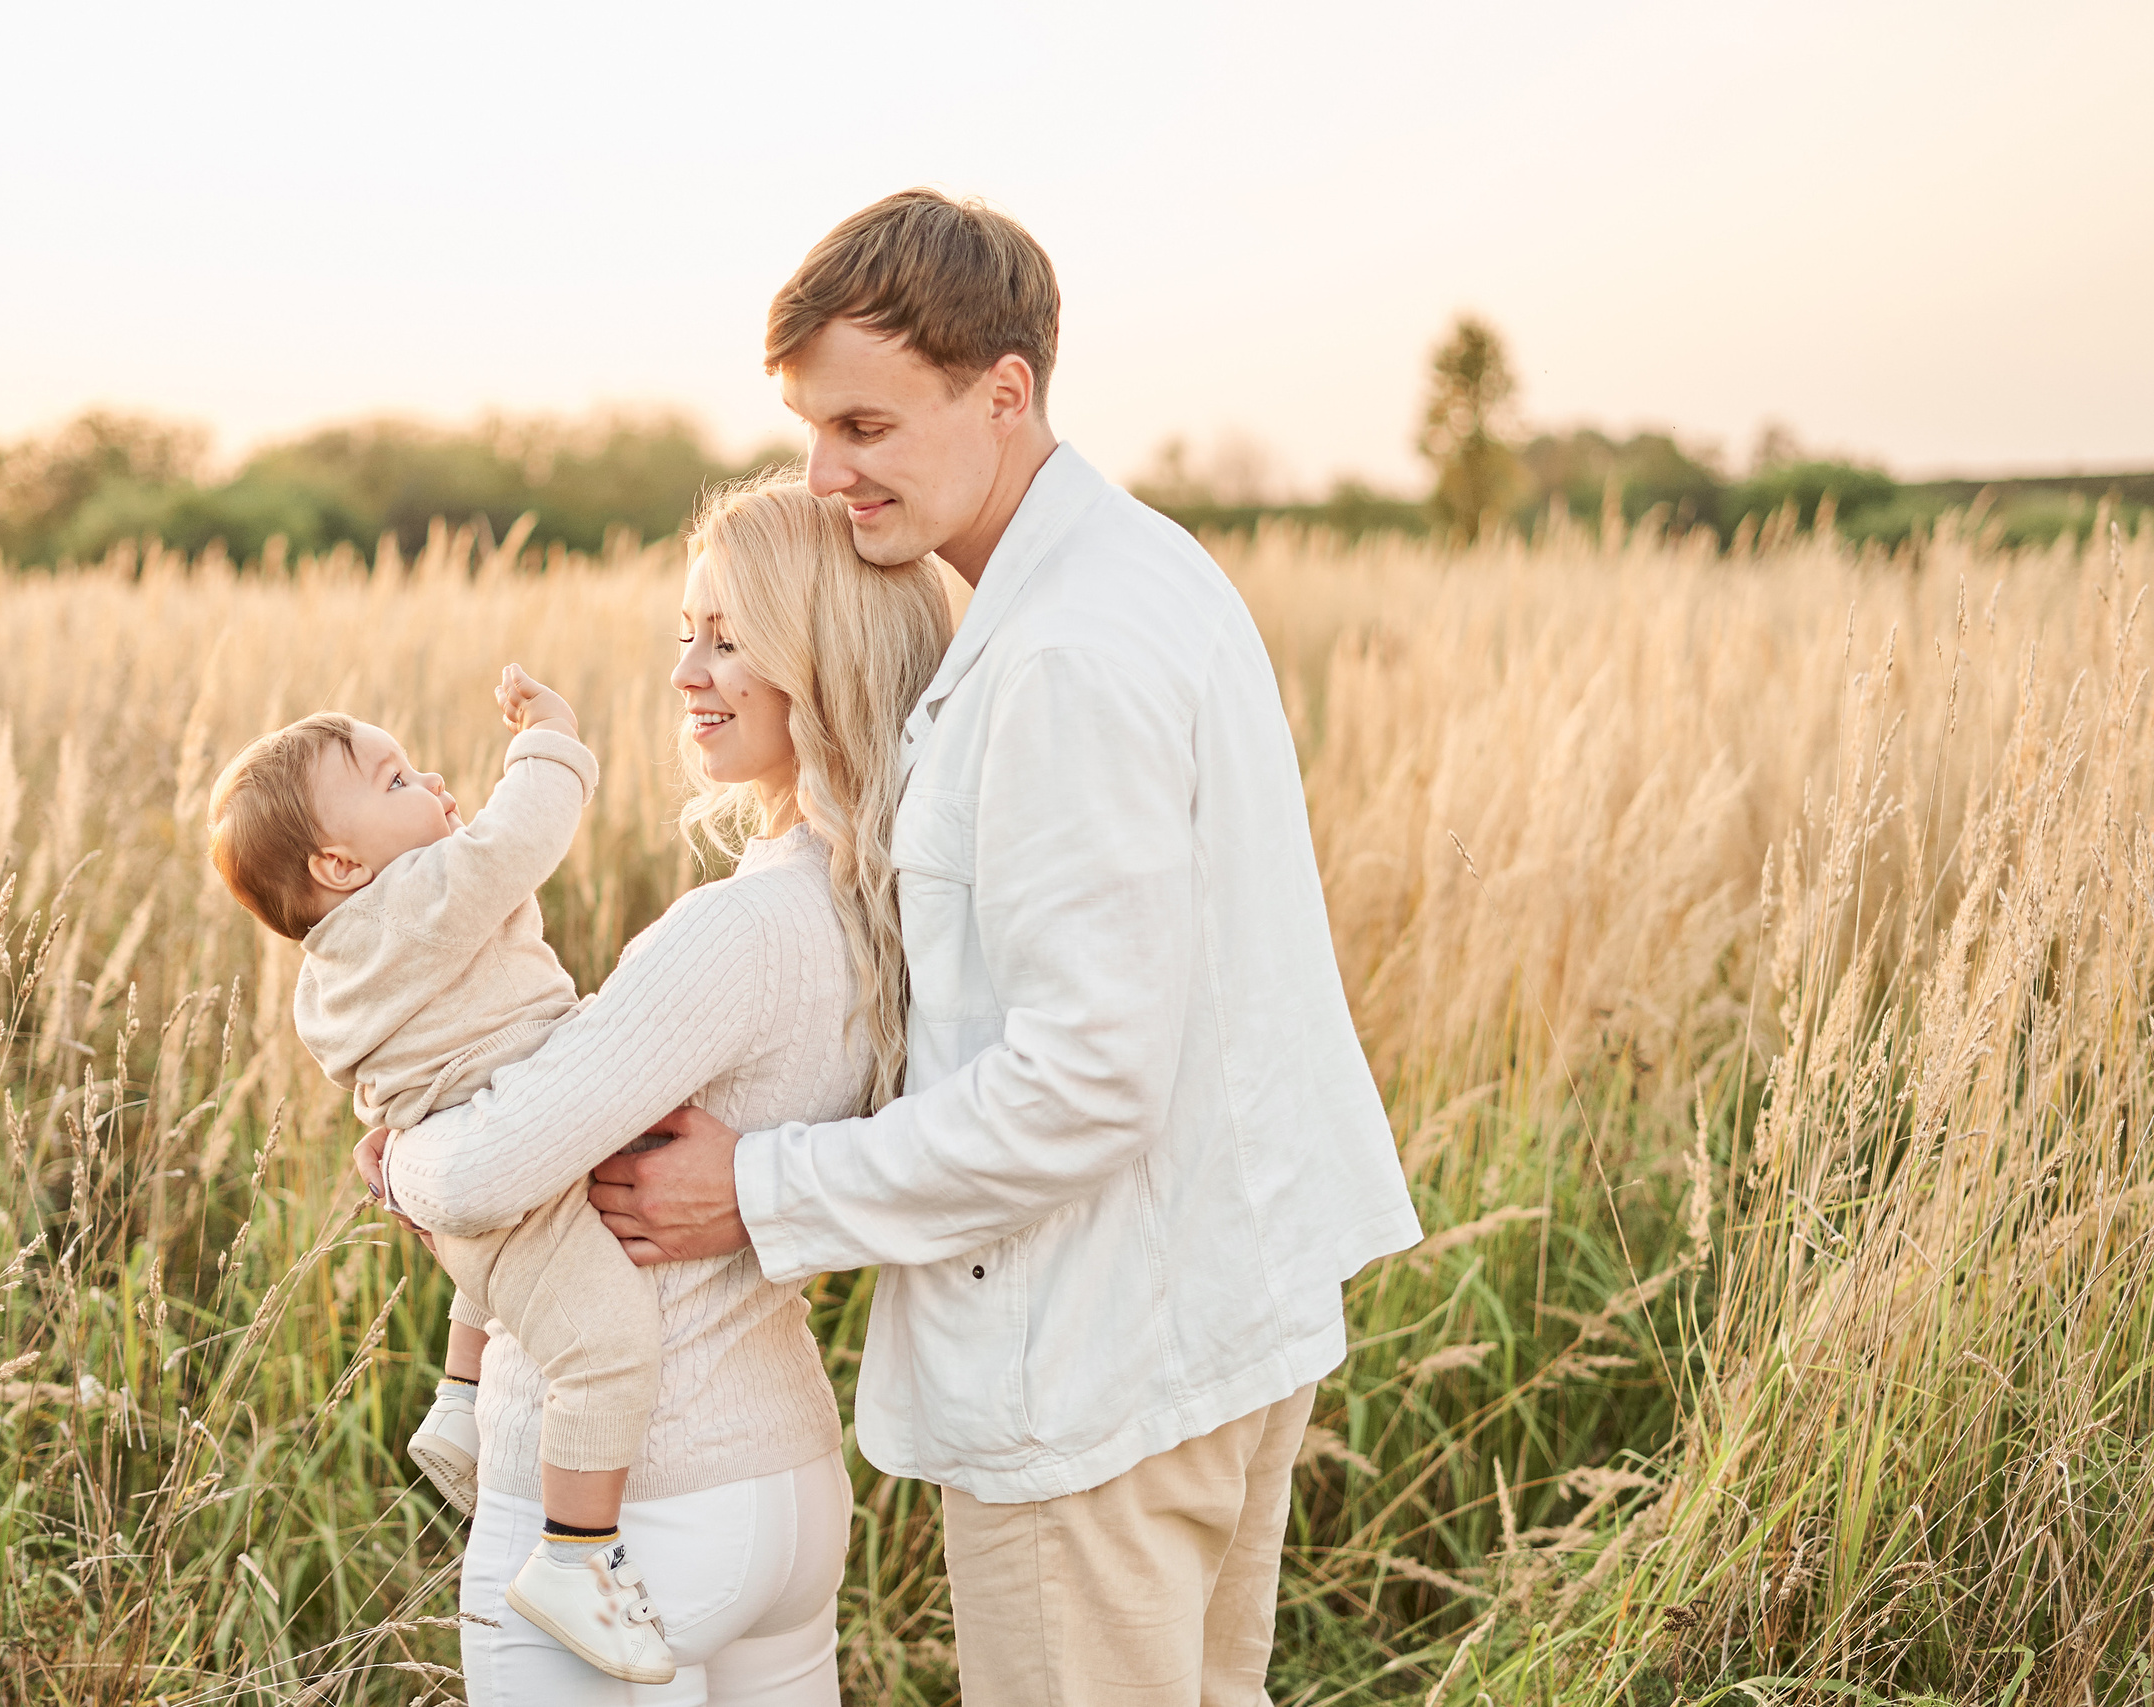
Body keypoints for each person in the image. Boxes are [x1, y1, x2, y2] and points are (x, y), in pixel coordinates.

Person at [590, 189, 1426, 1705]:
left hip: (1100, 1371)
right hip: (1213, 1326)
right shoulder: (1147, 568)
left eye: (866, 427)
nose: (825, 476)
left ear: (1006, 390)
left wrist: (760, 1186)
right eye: (809, 431)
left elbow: (1082, 1082)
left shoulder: (1060, 655)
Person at [364, 476, 955, 1705]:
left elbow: (477, 1173)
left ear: (823, 660)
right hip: (781, 1489)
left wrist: (397, 1157)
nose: (689, 669)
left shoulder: (735, 931)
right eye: (686, 631)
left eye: (731, 639)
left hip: (634, 1503)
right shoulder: (879, 910)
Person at [204, 670, 677, 1685]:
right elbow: (519, 840)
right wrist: (550, 740)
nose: (432, 782)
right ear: (340, 862)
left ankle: (460, 1401)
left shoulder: (325, 968)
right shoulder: (414, 901)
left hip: (460, 1179)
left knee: (495, 1284)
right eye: (395, 781)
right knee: (606, 1345)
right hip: (514, 1178)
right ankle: (576, 1555)